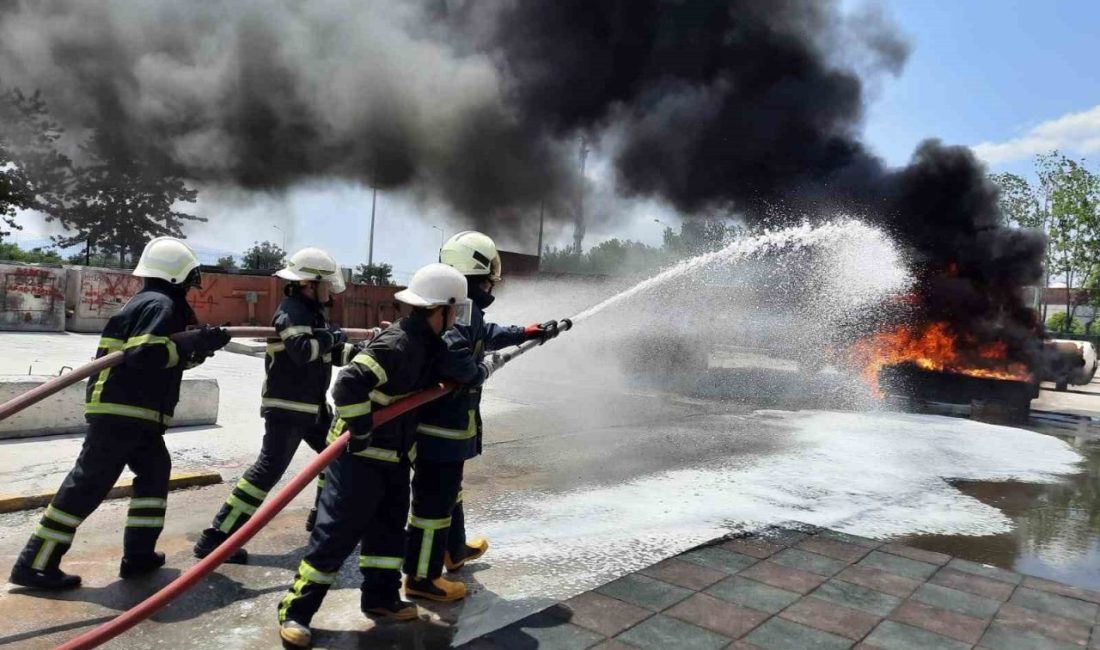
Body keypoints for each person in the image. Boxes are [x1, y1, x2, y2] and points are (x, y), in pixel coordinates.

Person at [7, 237, 230, 590]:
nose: (190, 286)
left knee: (155, 472)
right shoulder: (162, 304)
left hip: (133, 411)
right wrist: (194, 343)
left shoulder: (147, 302)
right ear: (177, 277)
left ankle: (139, 556)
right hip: (124, 410)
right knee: (88, 485)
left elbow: (161, 355)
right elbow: (146, 355)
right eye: (189, 278)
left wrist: (199, 349)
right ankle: (34, 562)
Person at [276, 263, 475, 648]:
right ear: (441, 309)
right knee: (337, 534)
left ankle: (381, 599)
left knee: (387, 531)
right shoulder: (397, 345)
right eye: (454, 312)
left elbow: (461, 369)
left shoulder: (431, 344)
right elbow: (347, 384)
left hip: (394, 455)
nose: (456, 320)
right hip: (358, 454)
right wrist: (363, 428)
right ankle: (295, 610)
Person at [404, 231, 561, 602]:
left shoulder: (463, 310)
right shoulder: (447, 315)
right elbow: (458, 358)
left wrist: (525, 331)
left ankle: (453, 551)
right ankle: (421, 579)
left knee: (449, 494)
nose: (493, 283)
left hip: (454, 430)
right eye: (489, 276)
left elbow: (486, 334)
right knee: (431, 507)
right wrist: (480, 370)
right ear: (472, 274)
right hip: (436, 432)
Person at [194, 248, 363, 564]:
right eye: (325, 285)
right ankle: (216, 538)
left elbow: (328, 353)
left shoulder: (311, 315)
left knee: (337, 457)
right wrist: (334, 336)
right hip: (288, 407)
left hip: (311, 407)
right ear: (308, 284)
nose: (330, 293)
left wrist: (363, 353)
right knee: (267, 471)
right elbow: (302, 350)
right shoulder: (291, 311)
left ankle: (322, 518)